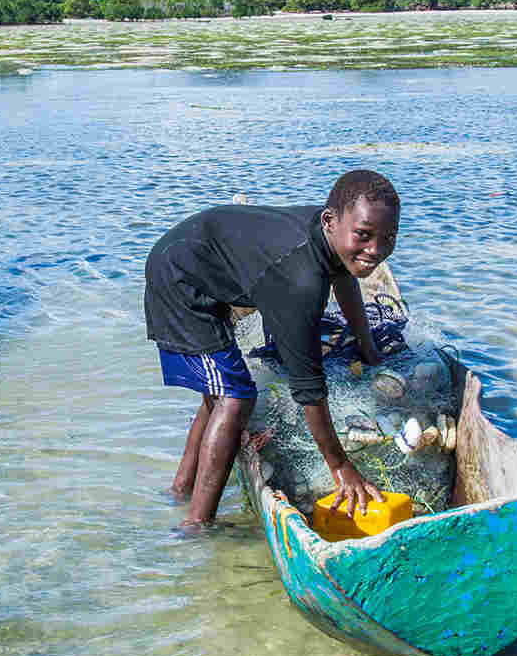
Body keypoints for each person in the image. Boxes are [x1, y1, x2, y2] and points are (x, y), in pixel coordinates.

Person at [144, 169, 399, 528]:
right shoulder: (300, 283)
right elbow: (308, 389)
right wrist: (341, 466)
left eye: (388, 238)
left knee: (219, 392)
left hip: (200, 257)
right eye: (364, 235)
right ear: (330, 221)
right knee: (235, 397)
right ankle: (196, 525)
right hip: (180, 280)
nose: (375, 250)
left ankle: (181, 490)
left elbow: (344, 279)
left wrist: (367, 344)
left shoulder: (332, 237)